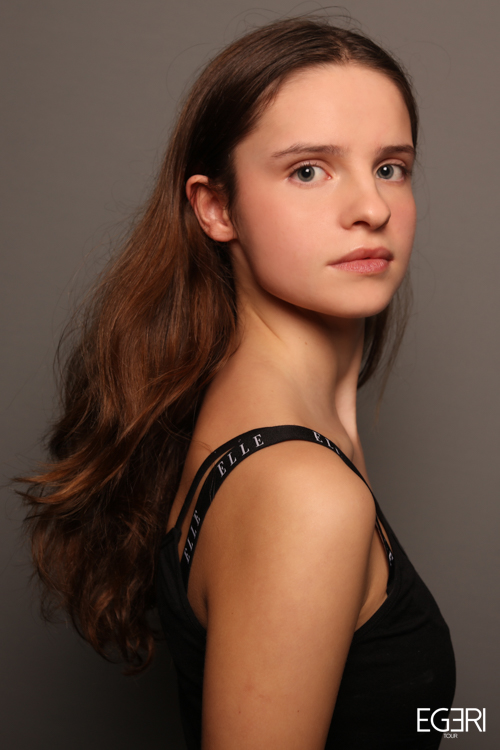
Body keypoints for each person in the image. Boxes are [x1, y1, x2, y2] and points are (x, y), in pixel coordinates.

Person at [22, 16, 455, 750]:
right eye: (308, 170)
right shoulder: (301, 492)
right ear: (216, 208)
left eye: (391, 167)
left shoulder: (268, 432)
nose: (373, 208)